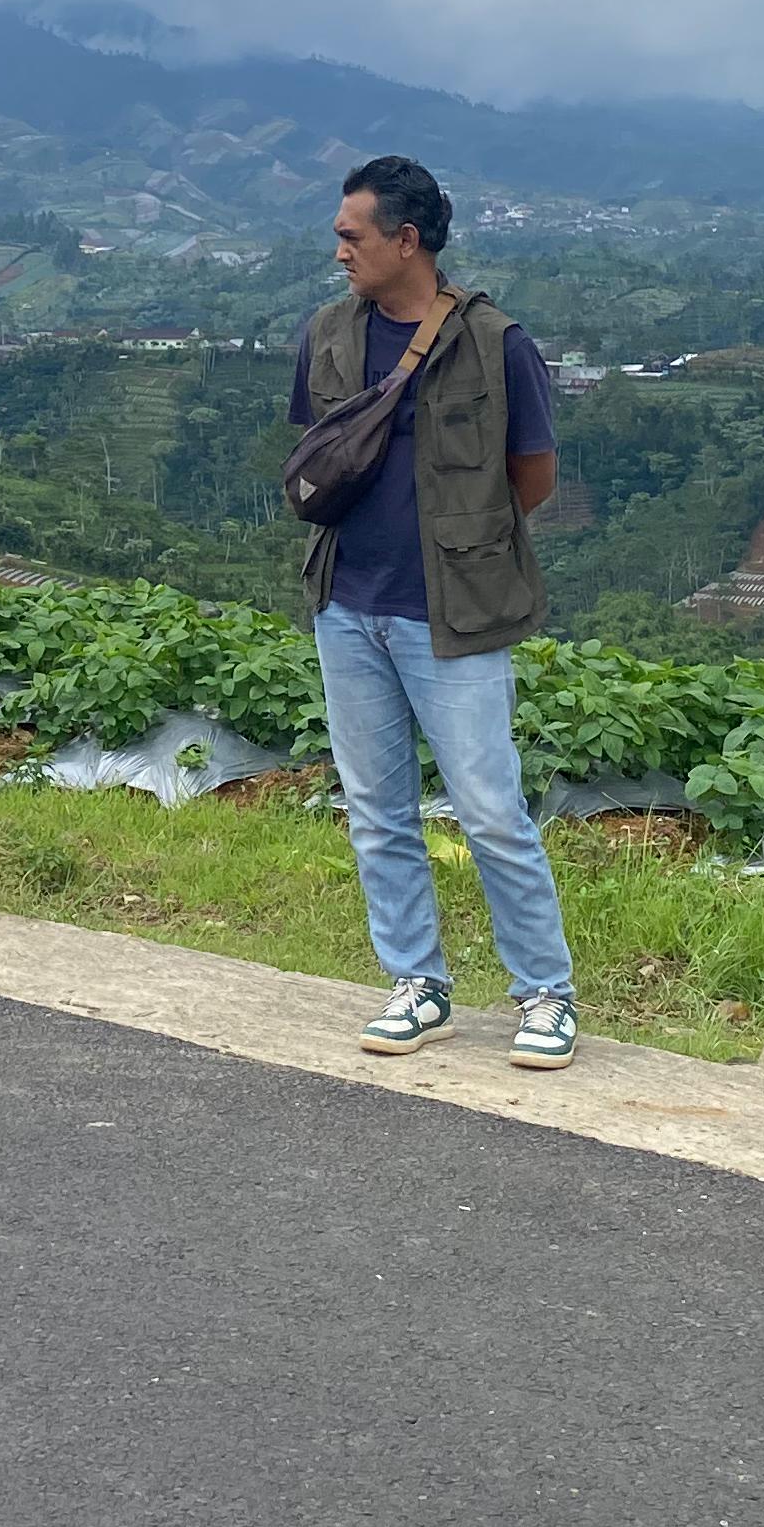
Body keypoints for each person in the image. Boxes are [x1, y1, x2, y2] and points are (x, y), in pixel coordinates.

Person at [289, 155, 580, 1070]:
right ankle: (417, 983)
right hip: (347, 604)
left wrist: (459, 545)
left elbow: (532, 476)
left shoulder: (497, 344)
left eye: (353, 236)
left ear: (405, 240)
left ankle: (545, 992)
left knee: (489, 809)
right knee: (377, 809)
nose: (340, 252)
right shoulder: (329, 335)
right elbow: (319, 450)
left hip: (451, 614)